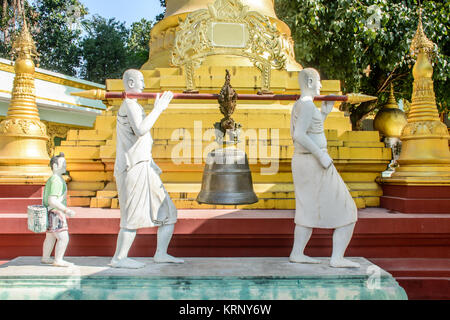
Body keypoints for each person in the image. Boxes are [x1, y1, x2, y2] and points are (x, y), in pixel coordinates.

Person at [111, 69, 184, 269]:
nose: (144, 85)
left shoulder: (134, 105)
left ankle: (160, 253)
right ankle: (119, 257)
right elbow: (141, 130)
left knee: (168, 211)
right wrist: (159, 108)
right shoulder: (129, 104)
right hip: (133, 167)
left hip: (145, 165)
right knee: (132, 215)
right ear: (131, 83)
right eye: (141, 81)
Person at [290, 68, 360, 268]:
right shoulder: (305, 105)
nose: (320, 86)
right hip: (314, 161)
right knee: (348, 210)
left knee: (307, 209)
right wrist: (321, 155)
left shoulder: (302, 105)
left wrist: (324, 113)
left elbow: (312, 128)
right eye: (318, 81)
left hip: (306, 161)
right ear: (310, 81)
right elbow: (300, 135)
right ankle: (337, 258)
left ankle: (297, 252)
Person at [41, 153, 76, 267]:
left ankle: (46, 257)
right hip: (56, 212)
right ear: (55, 166)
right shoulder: (56, 180)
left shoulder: (53, 179)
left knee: (50, 236)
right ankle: (58, 260)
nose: (65, 166)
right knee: (63, 237)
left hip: (50, 212)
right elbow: (52, 200)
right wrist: (66, 210)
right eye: (63, 164)